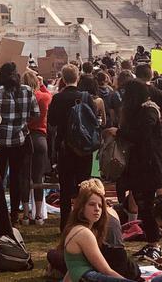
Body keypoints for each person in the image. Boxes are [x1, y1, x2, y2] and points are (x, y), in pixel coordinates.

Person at [110, 79, 162, 259]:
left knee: (147, 206)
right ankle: (151, 242)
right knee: (143, 205)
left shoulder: (149, 110)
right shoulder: (138, 111)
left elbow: (142, 135)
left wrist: (119, 132)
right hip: (139, 164)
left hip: (149, 164)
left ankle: (155, 243)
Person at [48, 63, 102, 231]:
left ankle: (65, 224)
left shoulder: (57, 98)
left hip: (65, 147)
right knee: (84, 186)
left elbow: (52, 122)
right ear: (77, 77)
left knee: (65, 188)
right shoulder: (87, 97)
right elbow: (94, 121)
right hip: (84, 148)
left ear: (63, 79)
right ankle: (83, 222)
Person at [0, 62, 39, 225]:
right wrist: (22, 123)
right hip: (19, 139)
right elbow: (35, 113)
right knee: (17, 178)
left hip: (1, 140)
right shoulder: (27, 90)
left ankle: (0, 210)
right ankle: (14, 213)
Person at [61, 178, 130, 282]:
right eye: (92, 204)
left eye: (100, 206)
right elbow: (106, 271)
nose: (97, 209)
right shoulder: (84, 232)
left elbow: (72, 269)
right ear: (82, 207)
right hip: (88, 277)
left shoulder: (80, 229)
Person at [23, 69, 52, 225]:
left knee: (25, 176)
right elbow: (49, 96)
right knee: (38, 176)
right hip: (40, 137)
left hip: (26, 137)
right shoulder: (44, 97)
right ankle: (39, 214)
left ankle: (26, 214)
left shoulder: (22, 98)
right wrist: (42, 85)